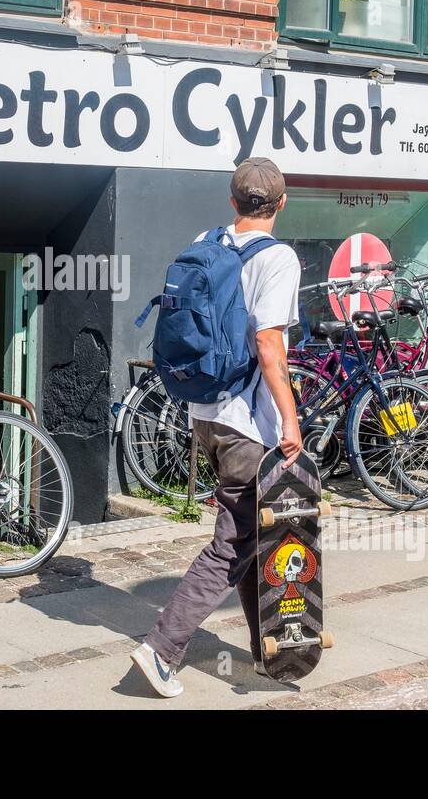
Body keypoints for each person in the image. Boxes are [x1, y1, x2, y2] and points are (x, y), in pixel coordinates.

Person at [130, 157, 303, 697]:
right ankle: (162, 650)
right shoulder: (278, 258)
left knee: (259, 533)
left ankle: (269, 649)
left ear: (233, 202)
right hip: (249, 425)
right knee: (235, 542)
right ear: (281, 202)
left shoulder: (205, 240)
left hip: (203, 413)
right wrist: (290, 422)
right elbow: (269, 346)